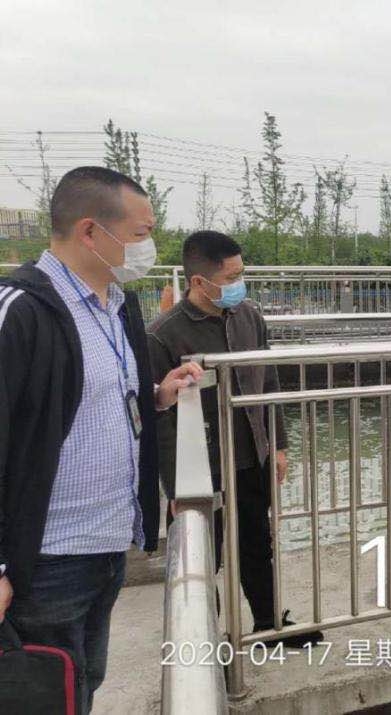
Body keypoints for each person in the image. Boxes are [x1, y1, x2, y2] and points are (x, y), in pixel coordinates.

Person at [0, 166, 202, 713]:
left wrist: (157, 396)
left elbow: (89, 397)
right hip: (46, 558)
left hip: (108, 543)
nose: (148, 248)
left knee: (82, 685)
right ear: (91, 231)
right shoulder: (20, 311)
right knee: (40, 695)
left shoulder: (118, 306)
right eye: (141, 234)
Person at [147, 230, 318, 645]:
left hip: (250, 456)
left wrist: (278, 444)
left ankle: (269, 625)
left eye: (242, 273)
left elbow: (268, 381)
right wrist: (174, 485)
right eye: (232, 277)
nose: (240, 284)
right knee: (201, 560)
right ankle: (204, 641)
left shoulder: (249, 316)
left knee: (257, 544)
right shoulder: (164, 334)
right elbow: (159, 420)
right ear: (199, 281)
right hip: (200, 468)